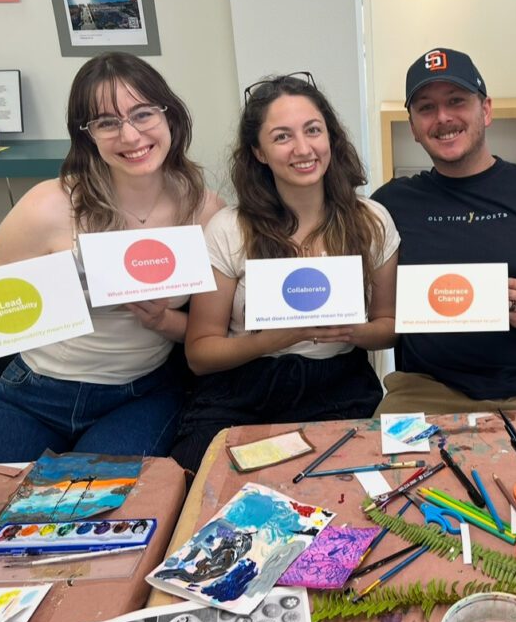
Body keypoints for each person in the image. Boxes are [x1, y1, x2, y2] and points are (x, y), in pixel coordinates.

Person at [0, 52, 224, 462]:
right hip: (34, 391)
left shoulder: (204, 211)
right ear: (87, 135)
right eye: (107, 122)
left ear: (169, 115)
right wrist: (61, 298)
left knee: (94, 510)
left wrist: (161, 318)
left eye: (142, 114)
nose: (131, 136)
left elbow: (214, 333)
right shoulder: (47, 205)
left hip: (141, 393)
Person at [170, 73, 398, 473]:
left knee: (344, 489)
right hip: (241, 389)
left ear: (331, 137)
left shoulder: (371, 221)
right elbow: (200, 354)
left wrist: (351, 332)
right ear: (258, 152)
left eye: (313, 130)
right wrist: (278, 338)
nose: (303, 148)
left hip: (338, 384)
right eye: (282, 137)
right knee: (204, 486)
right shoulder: (228, 228)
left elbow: (389, 326)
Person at [372, 48, 516, 414]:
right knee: (382, 471)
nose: (443, 117)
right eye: (426, 108)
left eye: (457, 101)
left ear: (486, 109)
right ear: (413, 127)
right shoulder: (389, 206)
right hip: (423, 392)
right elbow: (373, 308)